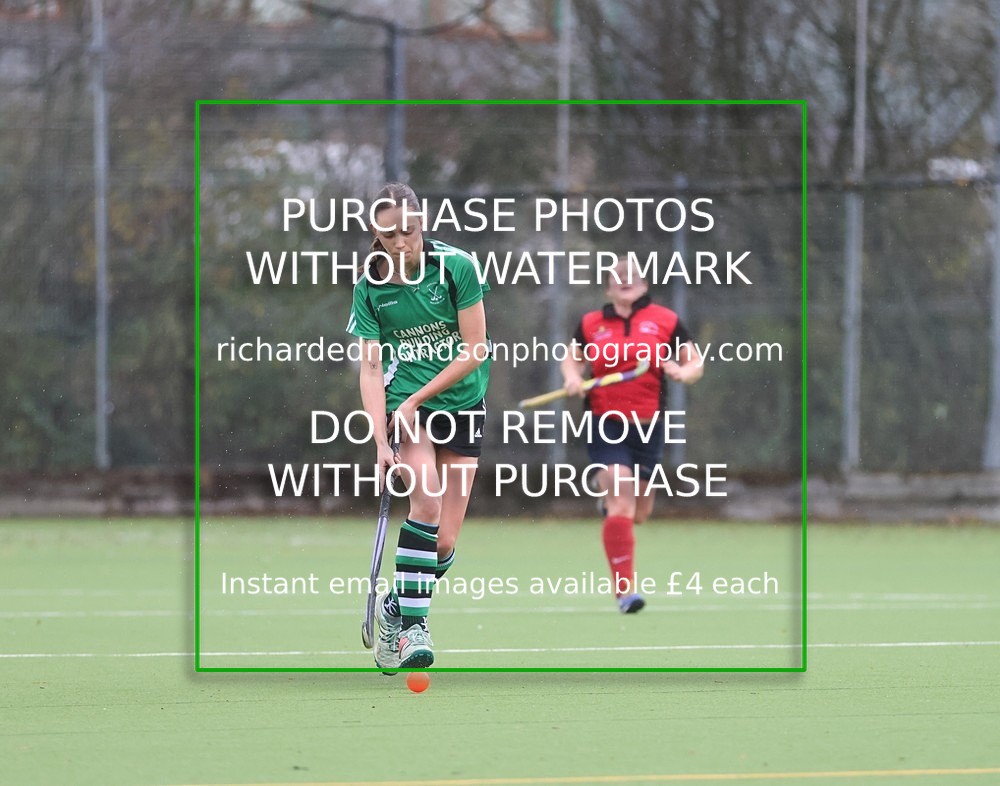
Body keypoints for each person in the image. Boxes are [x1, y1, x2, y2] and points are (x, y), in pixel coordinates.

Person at [347, 183, 491, 672]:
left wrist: (417, 398)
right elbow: (369, 368)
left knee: (444, 543)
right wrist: (381, 439)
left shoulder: (457, 268)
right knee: (424, 502)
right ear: (376, 234)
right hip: (406, 411)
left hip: (461, 402)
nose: (401, 241)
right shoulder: (370, 285)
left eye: (408, 229)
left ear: (421, 223)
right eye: (389, 233)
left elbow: (476, 350)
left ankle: (395, 606)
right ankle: (413, 632)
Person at [560, 254, 703, 613]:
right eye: (617, 276)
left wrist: (684, 373)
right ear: (608, 286)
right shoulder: (592, 323)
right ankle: (625, 592)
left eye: (632, 275)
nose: (625, 280)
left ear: (644, 283)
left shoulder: (665, 320)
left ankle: (608, 504)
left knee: (638, 512)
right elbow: (571, 357)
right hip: (604, 419)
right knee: (622, 497)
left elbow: (695, 361)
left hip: (649, 423)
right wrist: (573, 378)